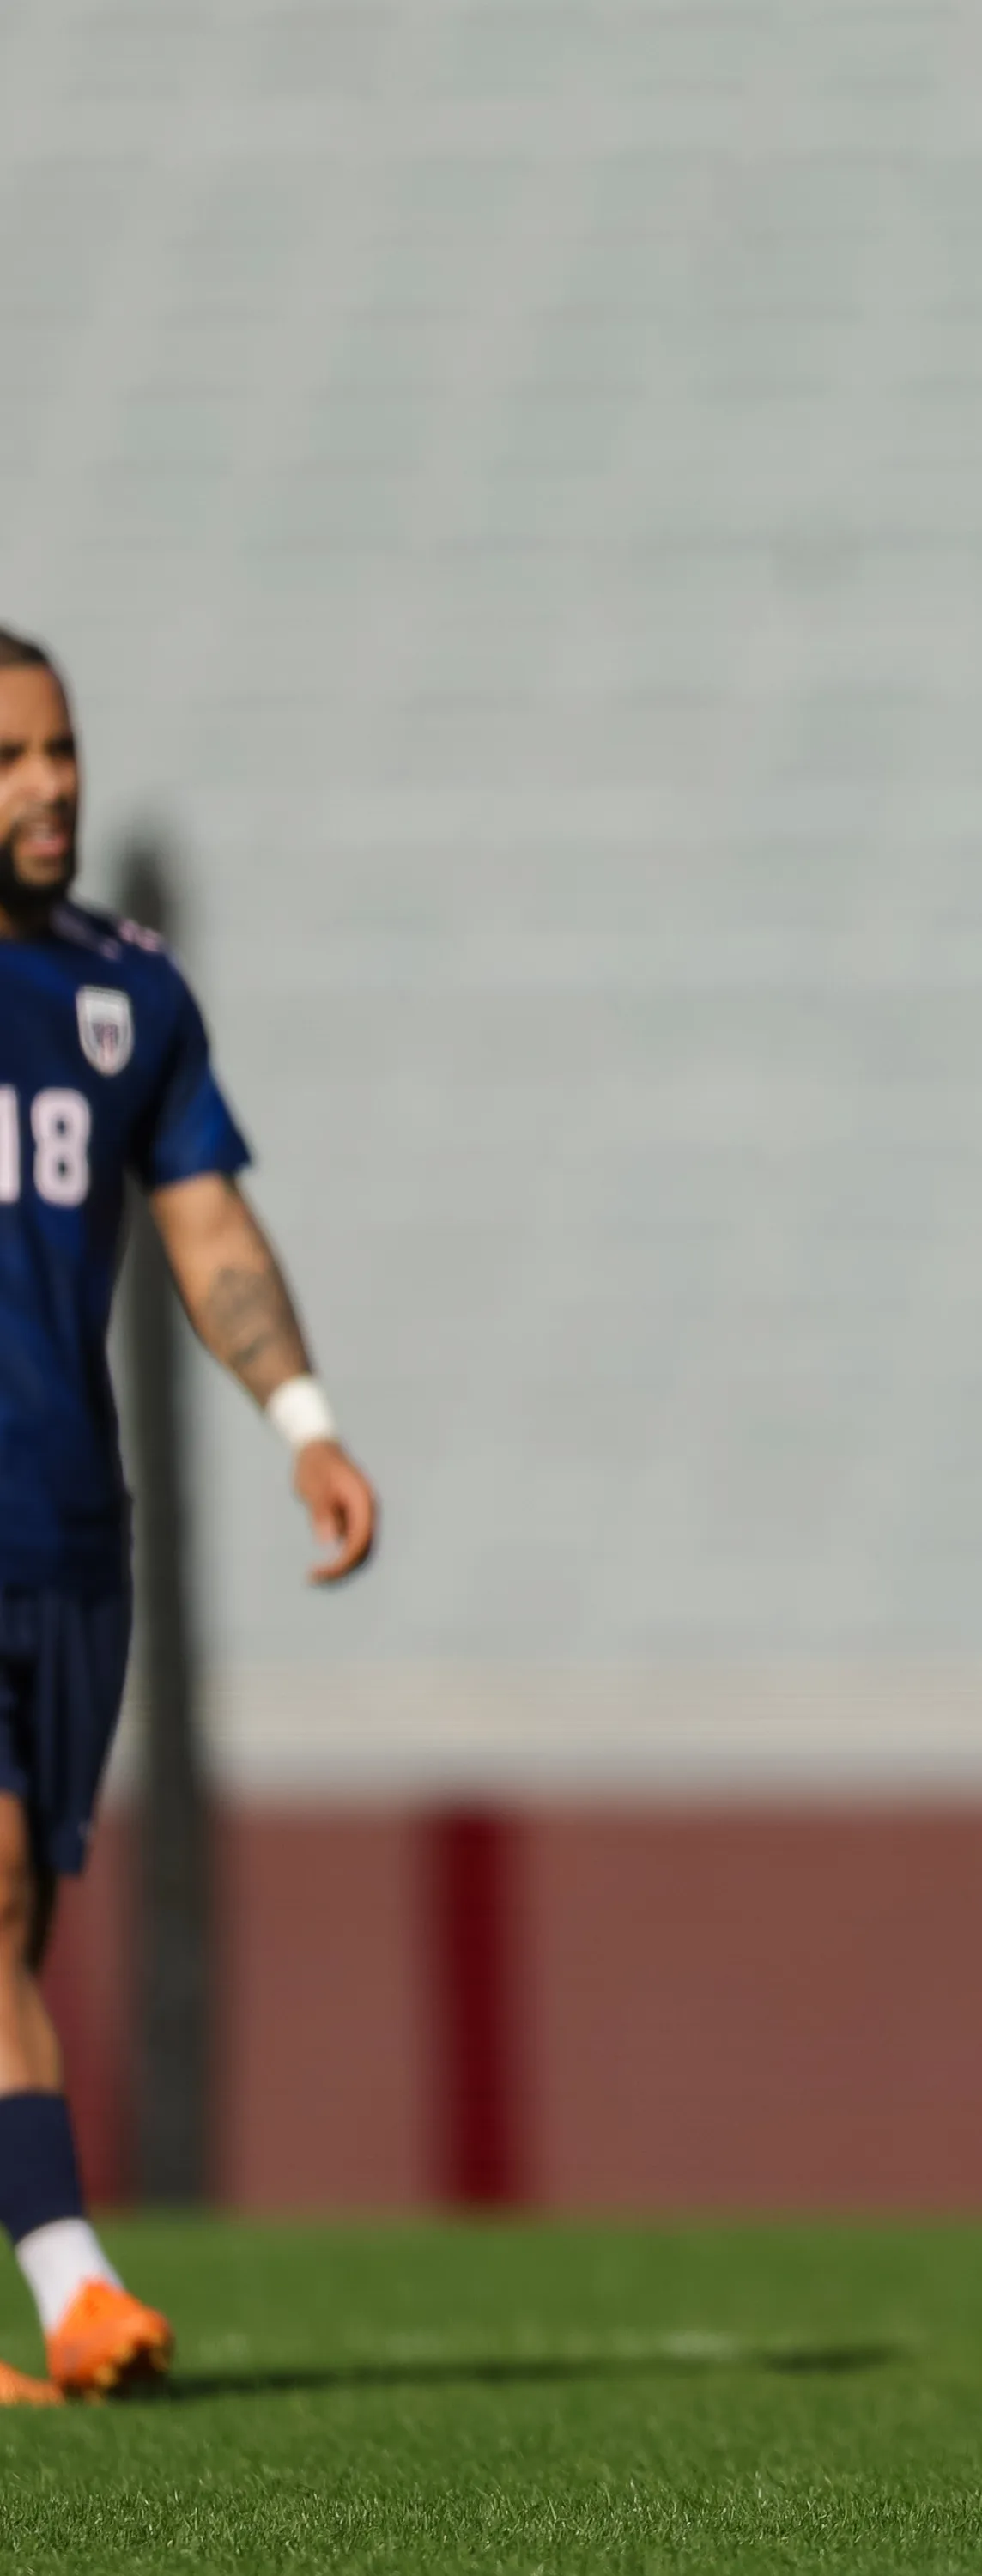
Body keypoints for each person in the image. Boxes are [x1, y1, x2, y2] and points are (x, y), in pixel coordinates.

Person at [0, 629, 381, 2400]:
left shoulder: (126, 994)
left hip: (72, 1534)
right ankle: (76, 2288)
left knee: (17, 1934)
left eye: (61, 750)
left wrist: (301, 1420)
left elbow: (208, 1227)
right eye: (10, 758)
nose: (51, 785)